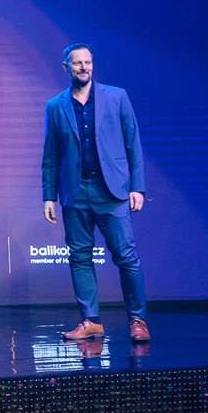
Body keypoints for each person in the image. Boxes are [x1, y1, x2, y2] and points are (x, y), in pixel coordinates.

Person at [41, 43, 150, 342]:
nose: (83, 67)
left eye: (87, 62)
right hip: (75, 192)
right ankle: (91, 321)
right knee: (80, 257)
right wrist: (49, 195)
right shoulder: (55, 106)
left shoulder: (116, 97)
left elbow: (133, 143)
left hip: (111, 191)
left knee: (126, 256)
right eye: (77, 63)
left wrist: (137, 187)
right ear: (66, 67)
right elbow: (51, 155)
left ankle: (138, 320)